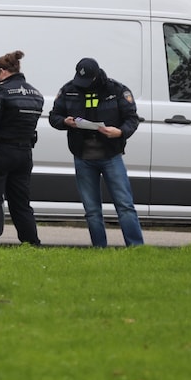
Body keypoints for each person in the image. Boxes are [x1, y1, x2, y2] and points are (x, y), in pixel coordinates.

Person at [48, 57, 145, 247]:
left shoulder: (116, 90)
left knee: (124, 205)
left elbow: (132, 119)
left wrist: (120, 132)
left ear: (96, 76)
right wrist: (64, 122)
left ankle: (136, 248)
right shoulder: (69, 90)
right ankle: (99, 248)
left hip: (111, 155)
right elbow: (54, 116)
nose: (82, 85)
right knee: (92, 210)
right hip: (82, 156)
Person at [0, 51, 45, 246]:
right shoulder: (36, 93)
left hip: (1, 150)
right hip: (25, 152)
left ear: (2, 72)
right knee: (21, 202)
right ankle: (31, 242)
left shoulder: (1, 92)